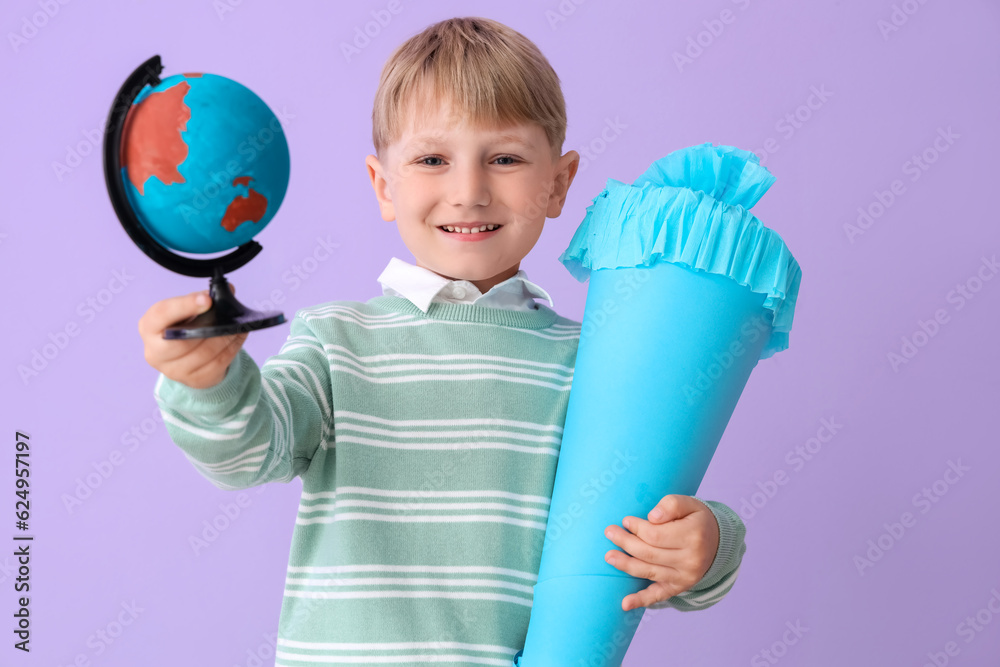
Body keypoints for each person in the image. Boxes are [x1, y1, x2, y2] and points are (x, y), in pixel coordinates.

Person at [138, 16, 747, 665]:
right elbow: (250, 452)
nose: (469, 191)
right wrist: (208, 384)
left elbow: (642, 521)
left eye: (505, 158)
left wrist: (708, 542)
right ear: (383, 185)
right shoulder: (337, 341)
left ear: (560, 183)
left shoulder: (596, 363)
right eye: (433, 159)